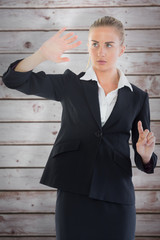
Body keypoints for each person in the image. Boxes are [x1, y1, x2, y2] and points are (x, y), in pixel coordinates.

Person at [2, 16, 158, 240]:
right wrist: (41, 55)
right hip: (74, 192)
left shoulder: (138, 98)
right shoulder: (70, 84)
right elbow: (13, 80)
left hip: (117, 196)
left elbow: (146, 161)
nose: (100, 52)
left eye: (108, 45)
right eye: (94, 44)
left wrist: (145, 155)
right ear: (88, 46)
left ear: (122, 49)